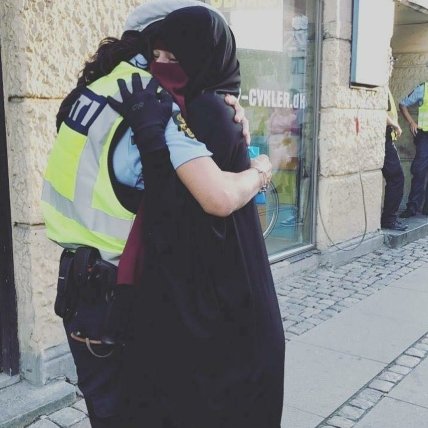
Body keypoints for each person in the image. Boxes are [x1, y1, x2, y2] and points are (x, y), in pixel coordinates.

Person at [41, 1, 272, 426]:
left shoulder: (93, 90)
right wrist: (261, 169)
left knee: (104, 410)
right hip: (119, 293)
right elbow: (217, 197)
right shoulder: (153, 101)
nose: (168, 62)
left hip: (77, 288)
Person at [111, 6, 285, 427]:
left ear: (201, 58)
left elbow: (214, 200)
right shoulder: (199, 107)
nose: (161, 66)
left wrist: (262, 168)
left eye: (174, 58)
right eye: (157, 56)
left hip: (223, 310)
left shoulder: (202, 110)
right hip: (225, 301)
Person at [380, 55, 406, 231]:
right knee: (397, 178)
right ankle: (389, 220)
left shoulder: (384, 86)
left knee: (396, 178)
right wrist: (394, 124)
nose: (392, 67)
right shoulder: (380, 85)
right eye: (390, 62)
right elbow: (378, 110)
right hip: (383, 138)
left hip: (386, 138)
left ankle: (389, 218)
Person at [399, 80, 428, 218]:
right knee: (419, 171)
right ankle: (412, 207)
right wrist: (412, 122)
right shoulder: (423, 89)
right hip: (425, 137)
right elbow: (403, 104)